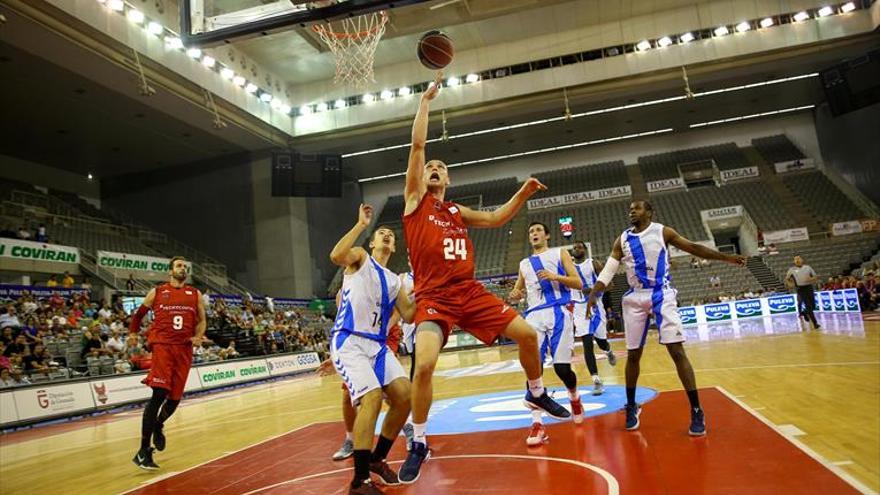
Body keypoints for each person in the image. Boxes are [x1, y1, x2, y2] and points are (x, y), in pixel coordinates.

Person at [399, 73, 569, 484]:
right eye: (431, 168)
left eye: (442, 168)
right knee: (423, 367)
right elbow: (419, 146)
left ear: (450, 180)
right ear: (422, 178)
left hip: (470, 293)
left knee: (528, 336)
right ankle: (419, 440)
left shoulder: (456, 212)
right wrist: (425, 102)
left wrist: (523, 194)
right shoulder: (415, 202)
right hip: (434, 297)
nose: (434, 169)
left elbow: (495, 218)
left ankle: (535, 390)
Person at [585, 200, 746, 436]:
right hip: (635, 297)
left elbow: (693, 248)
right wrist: (594, 293)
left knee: (677, 351)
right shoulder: (622, 239)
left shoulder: (663, 231)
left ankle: (697, 410)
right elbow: (609, 270)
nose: (632, 211)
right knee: (633, 355)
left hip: (662, 293)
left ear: (649, 212)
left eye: (637, 208)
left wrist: (726, 257)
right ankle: (631, 406)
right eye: (630, 208)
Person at [327, 204, 415, 495]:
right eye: (382, 233)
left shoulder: (395, 280)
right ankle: (359, 480)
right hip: (349, 341)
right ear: (373, 242)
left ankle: (377, 459)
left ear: (395, 244)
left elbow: (410, 313)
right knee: (372, 398)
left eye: (391, 234)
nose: (387, 236)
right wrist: (361, 225)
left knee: (404, 397)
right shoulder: (361, 258)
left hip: (376, 346)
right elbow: (337, 255)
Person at [509, 222, 584, 446]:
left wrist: (555, 277)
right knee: (534, 369)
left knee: (562, 368)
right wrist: (515, 294)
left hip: (560, 311)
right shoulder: (524, 264)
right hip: (533, 316)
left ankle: (574, 396)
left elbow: (578, 283)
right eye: (531, 231)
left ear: (547, 235)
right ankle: (537, 424)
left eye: (538, 230)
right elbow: (519, 291)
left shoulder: (559, 253)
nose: (534, 234)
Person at [129, 256, 206, 471]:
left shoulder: (195, 294)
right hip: (163, 346)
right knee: (159, 394)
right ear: (170, 271)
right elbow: (138, 316)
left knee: (174, 399)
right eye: (179, 265)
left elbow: (202, 321)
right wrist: (133, 333)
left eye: (185, 266)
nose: (183, 268)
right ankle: (143, 451)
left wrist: (199, 336)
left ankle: (158, 425)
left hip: (184, 349)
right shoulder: (157, 292)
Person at [570, 240, 616, 395]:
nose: (577, 249)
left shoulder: (594, 264)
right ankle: (596, 380)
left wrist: (594, 291)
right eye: (574, 247)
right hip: (579, 309)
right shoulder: (568, 269)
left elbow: (610, 284)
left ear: (585, 250)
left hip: (596, 306)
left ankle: (608, 350)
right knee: (587, 343)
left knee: (601, 342)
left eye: (579, 247)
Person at [785, 255, 821, 330]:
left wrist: (811, 279)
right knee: (808, 306)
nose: (797, 260)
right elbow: (787, 279)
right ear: (794, 261)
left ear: (802, 260)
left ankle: (804, 313)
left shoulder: (808, 267)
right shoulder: (792, 269)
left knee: (813, 306)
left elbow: (815, 277)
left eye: (798, 258)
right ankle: (815, 323)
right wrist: (790, 284)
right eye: (795, 259)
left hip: (809, 287)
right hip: (800, 289)